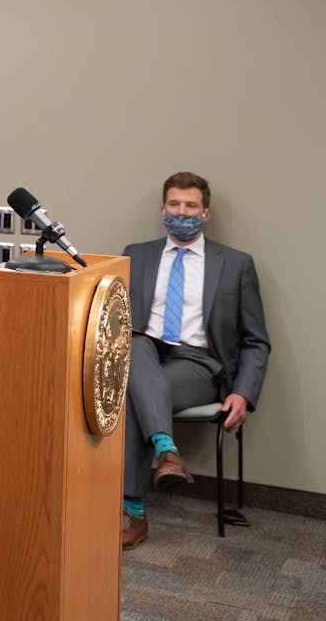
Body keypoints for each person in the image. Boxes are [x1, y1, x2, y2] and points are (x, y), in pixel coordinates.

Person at [119, 171, 270, 549]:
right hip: (144, 350)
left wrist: (244, 393)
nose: (181, 212)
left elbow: (256, 340)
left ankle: (133, 511)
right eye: (174, 204)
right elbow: (116, 319)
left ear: (206, 214)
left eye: (190, 206)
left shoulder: (236, 264)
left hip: (198, 363)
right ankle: (166, 452)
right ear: (162, 209)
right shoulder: (134, 255)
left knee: (136, 394)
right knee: (134, 345)